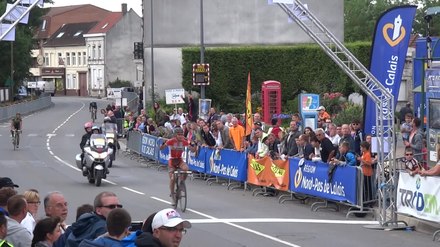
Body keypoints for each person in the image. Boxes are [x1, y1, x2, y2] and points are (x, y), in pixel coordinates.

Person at [159, 128, 196, 203]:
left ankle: (182, 182)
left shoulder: (184, 141)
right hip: (172, 161)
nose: (181, 136)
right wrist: (163, 144)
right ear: (175, 135)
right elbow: (161, 148)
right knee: (172, 179)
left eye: (182, 134)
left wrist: (193, 144)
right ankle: (172, 194)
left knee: (186, 169)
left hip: (179, 160)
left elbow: (193, 150)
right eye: (179, 135)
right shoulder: (171, 141)